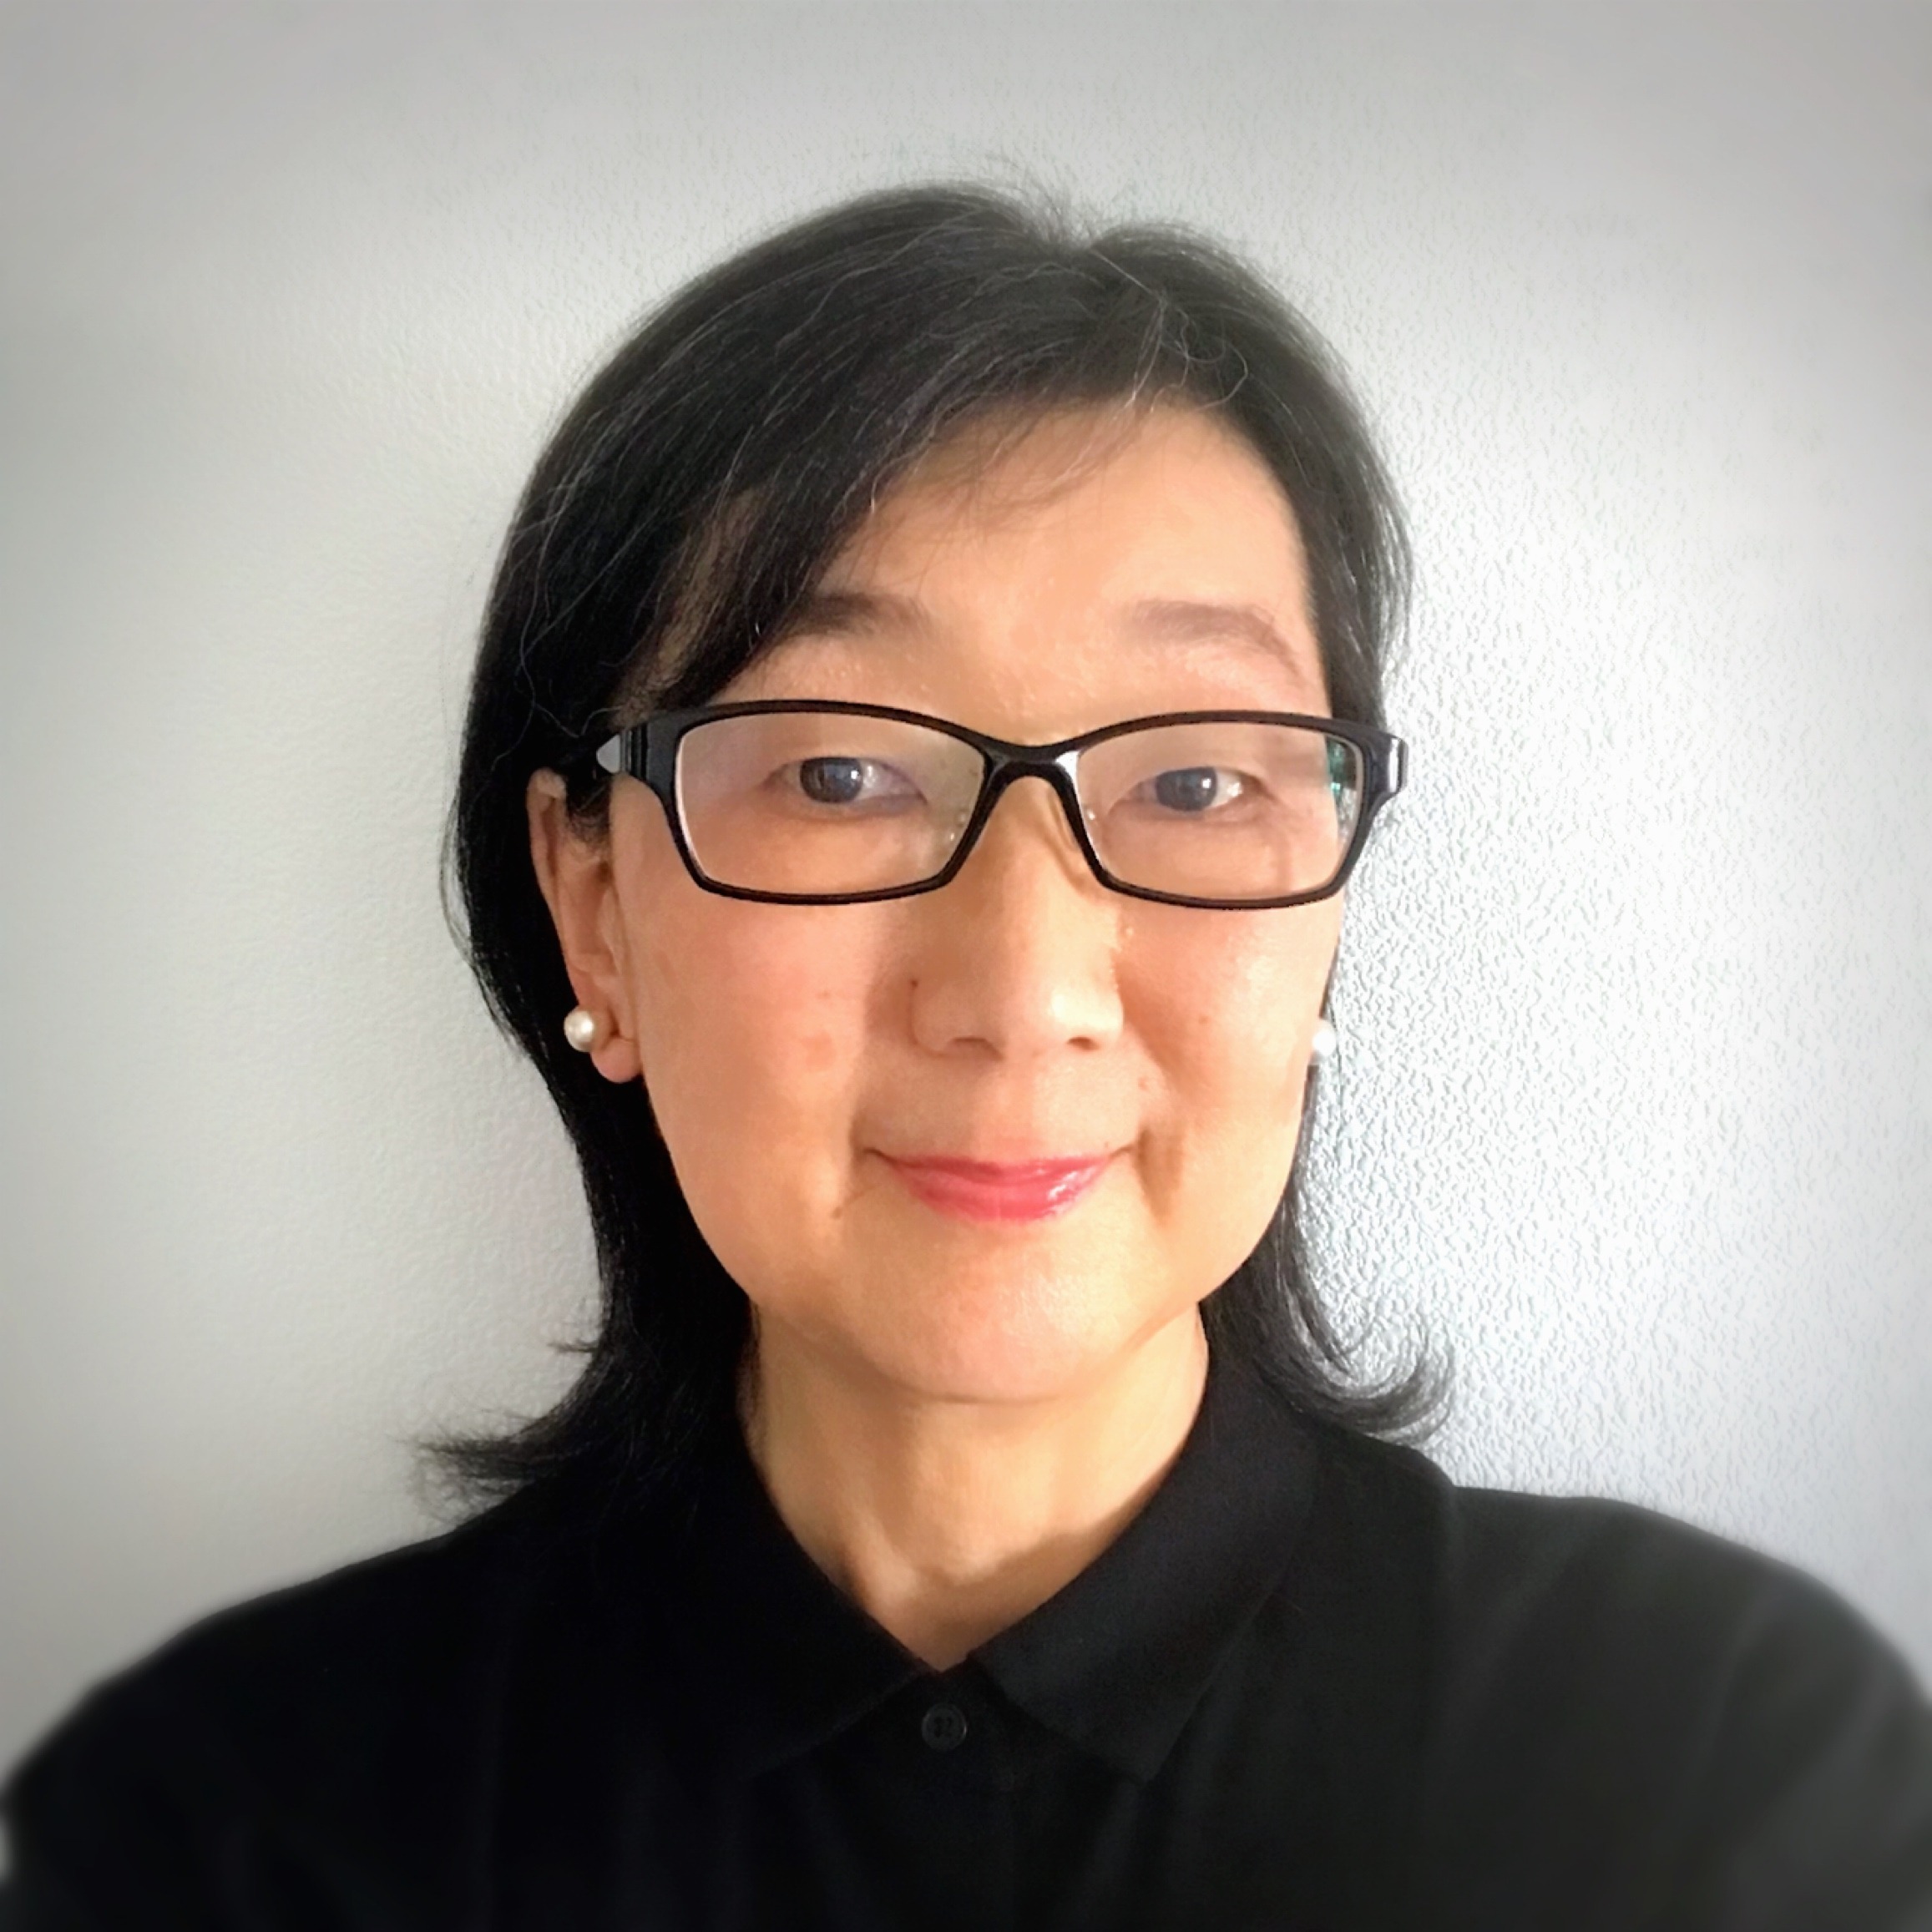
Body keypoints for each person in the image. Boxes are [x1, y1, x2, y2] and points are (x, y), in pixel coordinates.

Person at [3, 184, 1929, 1931]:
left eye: (1192, 780)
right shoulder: (228, 1827)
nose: (1022, 984)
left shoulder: (1719, 1770)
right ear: (591, 904)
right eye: (839, 771)